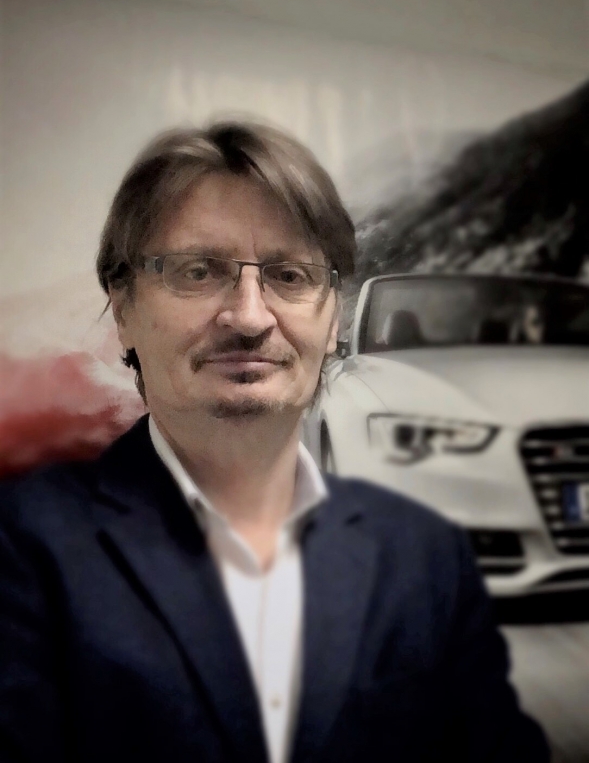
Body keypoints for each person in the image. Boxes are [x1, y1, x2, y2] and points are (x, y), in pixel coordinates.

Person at [0, 121, 549, 763]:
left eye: (290, 275)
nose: (250, 316)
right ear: (124, 309)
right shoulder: (24, 550)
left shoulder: (426, 557)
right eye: (198, 271)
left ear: (333, 317)